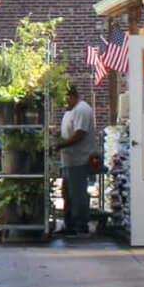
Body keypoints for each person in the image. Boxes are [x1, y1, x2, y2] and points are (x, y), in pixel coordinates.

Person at [57, 80, 98, 235]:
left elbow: (79, 134)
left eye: (63, 100)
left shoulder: (82, 109)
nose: (62, 105)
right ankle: (69, 224)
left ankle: (80, 224)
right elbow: (69, 132)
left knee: (77, 193)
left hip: (80, 159)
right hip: (69, 160)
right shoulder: (70, 111)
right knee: (68, 193)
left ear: (71, 96)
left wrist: (61, 145)